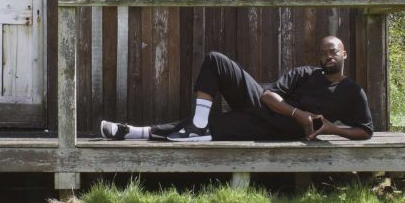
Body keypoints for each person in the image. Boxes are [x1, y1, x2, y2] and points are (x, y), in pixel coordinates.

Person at [100, 35, 373, 143]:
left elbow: (365, 131)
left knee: (205, 129)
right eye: (324, 52)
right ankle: (196, 123)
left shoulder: (352, 92)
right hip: (265, 109)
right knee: (216, 61)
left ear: (344, 54)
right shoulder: (304, 73)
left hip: (269, 132)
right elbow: (268, 95)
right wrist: (298, 114)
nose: (328, 56)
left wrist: (330, 128)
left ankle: (131, 132)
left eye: (333, 52)